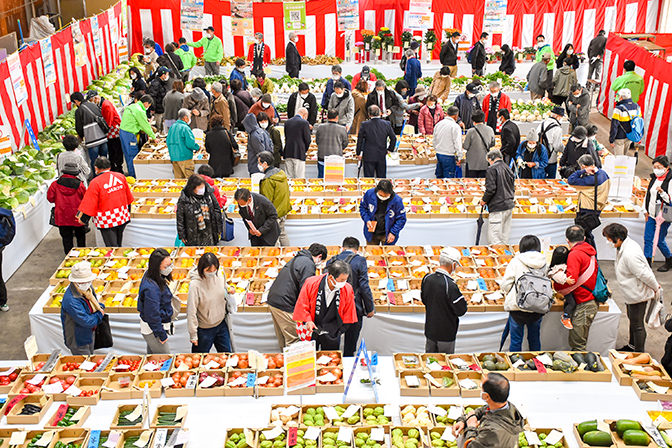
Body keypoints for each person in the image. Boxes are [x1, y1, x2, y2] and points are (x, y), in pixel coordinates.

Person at [603, 223, 660, 352]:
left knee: (637, 324)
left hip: (638, 294)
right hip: (631, 293)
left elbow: (644, 274)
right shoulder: (623, 246)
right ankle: (631, 346)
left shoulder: (630, 254)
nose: (608, 242)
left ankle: (639, 353)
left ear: (618, 239)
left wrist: (656, 287)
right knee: (632, 320)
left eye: (609, 239)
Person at [268, 243, 328, 347]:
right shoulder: (308, 265)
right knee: (293, 340)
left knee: (283, 338)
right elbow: (305, 290)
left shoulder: (298, 258)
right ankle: (293, 362)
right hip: (285, 304)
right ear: (319, 257)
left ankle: (284, 361)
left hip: (274, 300)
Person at [292, 261, 357, 350]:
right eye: (342, 280)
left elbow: (349, 312)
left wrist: (339, 331)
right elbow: (302, 304)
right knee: (310, 358)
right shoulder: (311, 283)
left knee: (330, 359)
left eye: (346, 280)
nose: (344, 282)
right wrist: (308, 320)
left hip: (332, 330)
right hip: (312, 327)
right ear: (331, 277)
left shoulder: (347, 288)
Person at [327, 237, 374, 357]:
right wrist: (369, 308)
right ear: (356, 250)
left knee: (332, 341)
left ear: (342, 248)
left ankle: (334, 364)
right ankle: (348, 361)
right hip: (353, 306)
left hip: (333, 306)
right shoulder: (360, 261)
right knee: (351, 340)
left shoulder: (332, 261)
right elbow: (364, 286)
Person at [501, 235, 547, 351]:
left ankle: (516, 365)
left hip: (518, 307)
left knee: (516, 341)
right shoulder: (544, 262)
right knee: (535, 339)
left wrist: (507, 291)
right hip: (537, 306)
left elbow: (506, 284)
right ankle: (536, 365)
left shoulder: (516, 261)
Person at [452, 373, 524, 447]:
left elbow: (472, 446)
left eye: (481, 387)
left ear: (486, 396)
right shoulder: (508, 407)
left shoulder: (492, 431)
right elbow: (483, 410)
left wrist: (471, 427)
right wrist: (463, 420)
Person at [558, 225, 599, 351]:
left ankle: (580, 367)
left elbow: (571, 280)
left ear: (567, 240)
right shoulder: (589, 250)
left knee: (578, 345)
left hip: (583, 303)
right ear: (584, 238)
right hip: (589, 298)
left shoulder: (575, 255)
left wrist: (557, 285)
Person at [76, 157, 133, 247]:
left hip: (106, 220)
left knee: (111, 247)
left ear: (96, 168)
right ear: (109, 166)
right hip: (122, 216)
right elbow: (129, 197)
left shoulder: (95, 183)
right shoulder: (120, 177)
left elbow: (89, 203)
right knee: (118, 243)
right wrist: (128, 211)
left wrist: (83, 219)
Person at [420, 247, 467, 353]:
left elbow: (424, 299)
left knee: (430, 361)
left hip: (430, 330)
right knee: (445, 363)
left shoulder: (427, 278)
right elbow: (461, 310)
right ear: (454, 265)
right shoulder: (450, 285)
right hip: (446, 333)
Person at [188, 252, 236, 353]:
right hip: (205, 329)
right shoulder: (195, 285)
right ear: (202, 269)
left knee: (227, 356)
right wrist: (193, 335)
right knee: (200, 359)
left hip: (221, 324)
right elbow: (191, 311)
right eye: (208, 270)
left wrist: (229, 288)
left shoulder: (220, 273)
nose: (212, 272)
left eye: (214, 270)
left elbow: (223, 285)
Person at [60, 261, 105, 355]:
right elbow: (86, 321)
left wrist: (99, 307)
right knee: (85, 362)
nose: (87, 283)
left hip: (89, 332)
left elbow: (95, 303)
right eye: (83, 281)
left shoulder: (87, 288)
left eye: (89, 281)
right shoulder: (71, 300)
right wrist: (100, 313)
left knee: (90, 355)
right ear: (75, 282)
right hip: (78, 339)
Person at [567, 154, 610, 249]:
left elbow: (571, 180)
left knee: (583, 237)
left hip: (586, 210)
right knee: (588, 235)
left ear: (583, 166)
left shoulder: (590, 180)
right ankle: (593, 259)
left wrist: (582, 171)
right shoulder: (603, 174)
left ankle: (591, 258)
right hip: (596, 208)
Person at [138, 248, 175, 354]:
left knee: (153, 356)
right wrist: (161, 334)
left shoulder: (154, 276)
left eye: (170, 265)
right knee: (164, 358)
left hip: (154, 327)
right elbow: (152, 315)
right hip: (153, 329)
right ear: (156, 266)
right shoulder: (151, 289)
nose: (169, 269)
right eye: (166, 267)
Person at [48, 163, 87, 254]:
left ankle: (69, 257)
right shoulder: (80, 185)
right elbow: (85, 199)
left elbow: (50, 198)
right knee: (80, 236)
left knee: (66, 238)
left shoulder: (55, 184)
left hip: (62, 216)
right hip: (78, 216)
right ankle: (82, 256)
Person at [176, 174, 222, 246]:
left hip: (209, 228)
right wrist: (182, 235)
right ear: (193, 188)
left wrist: (218, 228)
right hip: (193, 231)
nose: (202, 189)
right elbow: (180, 218)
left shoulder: (209, 194)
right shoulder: (185, 199)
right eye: (200, 187)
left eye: (203, 187)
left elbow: (217, 209)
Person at [643, 156, 672, 269]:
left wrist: (662, 192)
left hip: (663, 215)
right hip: (651, 214)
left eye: (659, 167)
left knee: (659, 240)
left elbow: (669, 200)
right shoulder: (654, 178)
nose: (656, 170)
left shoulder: (670, 181)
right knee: (648, 239)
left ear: (666, 168)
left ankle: (669, 258)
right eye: (654, 167)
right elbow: (648, 194)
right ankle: (647, 263)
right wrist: (645, 210)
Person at [359, 179, 407, 245]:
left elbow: (401, 219)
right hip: (372, 233)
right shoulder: (369, 194)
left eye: (386, 196)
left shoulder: (397, 201)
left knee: (387, 253)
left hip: (388, 233)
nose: (383, 197)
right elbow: (363, 208)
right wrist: (367, 220)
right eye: (381, 195)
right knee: (371, 252)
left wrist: (393, 232)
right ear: (378, 190)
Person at [482, 150, 515, 245]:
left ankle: (496, 257)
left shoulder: (491, 169)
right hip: (508, 205)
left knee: (494, 237)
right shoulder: (507, 168)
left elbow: (491, 189)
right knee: (504, 236)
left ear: (491, 159)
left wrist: (484, 200)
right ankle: (504, 257)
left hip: (498, 206)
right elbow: (512, 187)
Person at [258, 152, 290, 246]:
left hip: (274, 213)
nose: (258, 165)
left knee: (273, 237)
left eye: (259, 163)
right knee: (282, 233)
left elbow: (266, 200)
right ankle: (287, 253)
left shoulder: (268, 180)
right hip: (283, 209)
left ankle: (276, 256)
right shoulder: (280, 173)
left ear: (265, 164)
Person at [119, 95, 155, 178]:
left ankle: (131, 175)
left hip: (123, 132)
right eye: (149, 105)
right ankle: (135, 176)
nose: (148, 107)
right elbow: (145, 125)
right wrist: (154, 137)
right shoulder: (139, 110)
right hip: (129, 134)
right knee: (133, 155)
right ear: (146, 103)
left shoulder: (132, 106)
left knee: (128, 155)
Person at [87, 91, 123, 174]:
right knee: (113, 149)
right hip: (111, 129)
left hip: (114, 129)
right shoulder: (102, 104)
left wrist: (103, 130)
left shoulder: (106, 105)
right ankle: (115, 166)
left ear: (96, 98)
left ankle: (118, 167)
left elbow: (108, 122)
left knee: (115, 149)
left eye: (91, 100)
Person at [71, 92, 108, 172]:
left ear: (76, 101)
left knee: (95, 162)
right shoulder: (93, 105)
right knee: (104, 160)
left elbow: (79, 127)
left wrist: (80, 136)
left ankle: (97, 179)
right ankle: (106, 177)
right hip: (102, 137)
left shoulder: (79, 111)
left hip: (92, 140)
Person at [356, 105, 397, 178]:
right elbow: (393, 138)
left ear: (369, 114)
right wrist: (389, 149)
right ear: (380, 113)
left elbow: (360, 140)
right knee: (381, 179)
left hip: (368, 155)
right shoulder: (386, 124)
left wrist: (358, 153)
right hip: (381, 154)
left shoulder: (365, 124)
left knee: (369, 180)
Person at [548, 246, 576, 329]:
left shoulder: (556, 265)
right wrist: (566, 280)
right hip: (563, 288)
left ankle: (566, 311)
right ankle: (565, 317)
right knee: (572, 303)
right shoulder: (557, 269)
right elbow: (558, 277)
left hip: (562, 288)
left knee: (568, 301)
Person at [166, 109, 199, 179]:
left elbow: (168, 141)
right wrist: (197, 147)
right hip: (185, 158)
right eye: (189, 117)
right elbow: (190, 143)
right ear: (185, 118)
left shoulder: (172, 127)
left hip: (174, 158)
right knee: (190, 181)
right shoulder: (185, 128)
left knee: (179, 182)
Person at [315, 109, 348, 178]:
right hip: (336, 158)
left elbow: (317, 140)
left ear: (327, 116)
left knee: (321, 179)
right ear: (337, 117)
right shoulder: (342, 129)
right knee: (335, 180)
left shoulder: (320, 127)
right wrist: (339, 148)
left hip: (322, 157)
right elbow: (345, 143)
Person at [609, 88, 642, 156]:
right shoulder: (637, 107)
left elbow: (614, 126)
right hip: (630, 136)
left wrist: (611, 139)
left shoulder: (619, 109)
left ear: (621, 97)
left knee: (618, 158)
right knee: (624, 155)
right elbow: (639, 123)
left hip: (619, 137)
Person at [433, 106, 463, 178]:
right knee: (448, 179)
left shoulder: (439, 124)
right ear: (456, 116)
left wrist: (436, 149)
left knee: (439, 177)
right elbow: (457, 143)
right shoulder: (455, 126)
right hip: (448, 155)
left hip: (439, 154)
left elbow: (434, 139)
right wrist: (459, 156)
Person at [463, 110, 495, 178]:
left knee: (472, 184)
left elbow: (465, 146)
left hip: (472, 164)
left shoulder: (471, 131)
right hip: (485, 162)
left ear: (473, 120)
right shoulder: (490, 129)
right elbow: (492, 144)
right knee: (483, 184)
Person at [537, 106, 564, 179]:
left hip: (540, 157)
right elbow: (557, 146)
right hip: (551, 159)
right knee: (550, 181)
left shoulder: (542, 124)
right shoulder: (557, 129)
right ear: (558, 116)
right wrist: (564, 150)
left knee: (539, 179)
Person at [283, 107, 312, 179]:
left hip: (288, 152)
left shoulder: (287, 122)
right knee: (299, 178)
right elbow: (307, 139)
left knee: (288, 177)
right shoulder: (304, 123)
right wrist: (304, 150)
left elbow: (286, 137)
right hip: (299, 152)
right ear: (305, 115)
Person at [147, 66, 172, 132]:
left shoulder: (161, 82)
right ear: (163, 75)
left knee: (161, 126)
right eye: (167, 74)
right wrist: (153, 108)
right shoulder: (156, 84)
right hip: (158, 110)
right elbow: (152, 97)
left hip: (161, 108)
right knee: (157, 127)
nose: (168, 75)